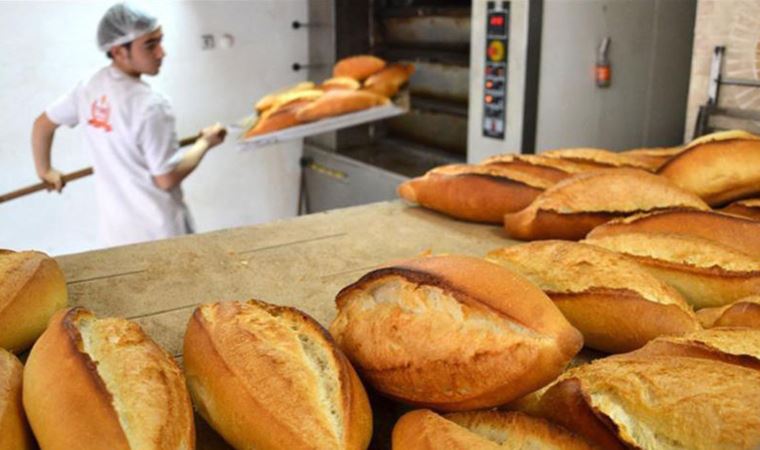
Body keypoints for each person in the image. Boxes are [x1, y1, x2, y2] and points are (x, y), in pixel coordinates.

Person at [31, 2, 226, 247]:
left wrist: (44, 170)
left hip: (117, 235)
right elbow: (166, 178)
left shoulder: (89, 87)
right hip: (160, 234)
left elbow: (42, 125)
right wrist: (205, 143)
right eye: (150, 45)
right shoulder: (151, 106)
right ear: (118, 51)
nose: (161, 52)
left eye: (160, 41)